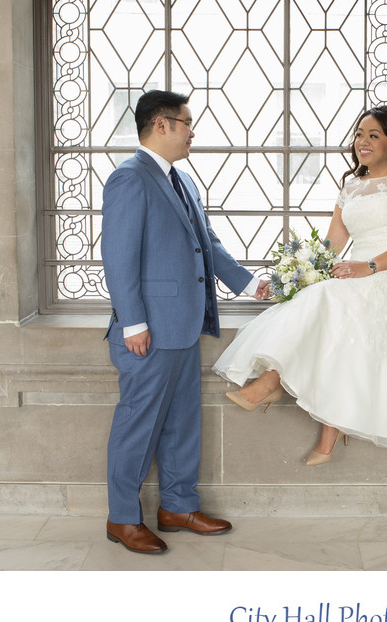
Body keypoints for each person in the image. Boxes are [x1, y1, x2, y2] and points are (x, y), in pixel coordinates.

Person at [213, 106, 387, 465]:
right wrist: (299, 273)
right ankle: (297, 405)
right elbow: (332, 245)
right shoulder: (350, 187)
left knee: (332, 304)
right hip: (356, 272)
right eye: (359, 135)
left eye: (373, 135)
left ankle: (272, 385)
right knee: (319, 302)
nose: (363, 143)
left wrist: (367, 266)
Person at [101, 90, 270, 554]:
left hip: (183, 326)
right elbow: (117, 258)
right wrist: (133, 323)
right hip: (148, 332)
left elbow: (207, 243)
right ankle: (122, 519)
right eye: (186, 123)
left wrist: (249, 284)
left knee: (181, 423)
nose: (192, 132)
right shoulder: (129, 180)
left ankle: (177, 505)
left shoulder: (184, 182)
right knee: (138, 425)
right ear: (161, 125)